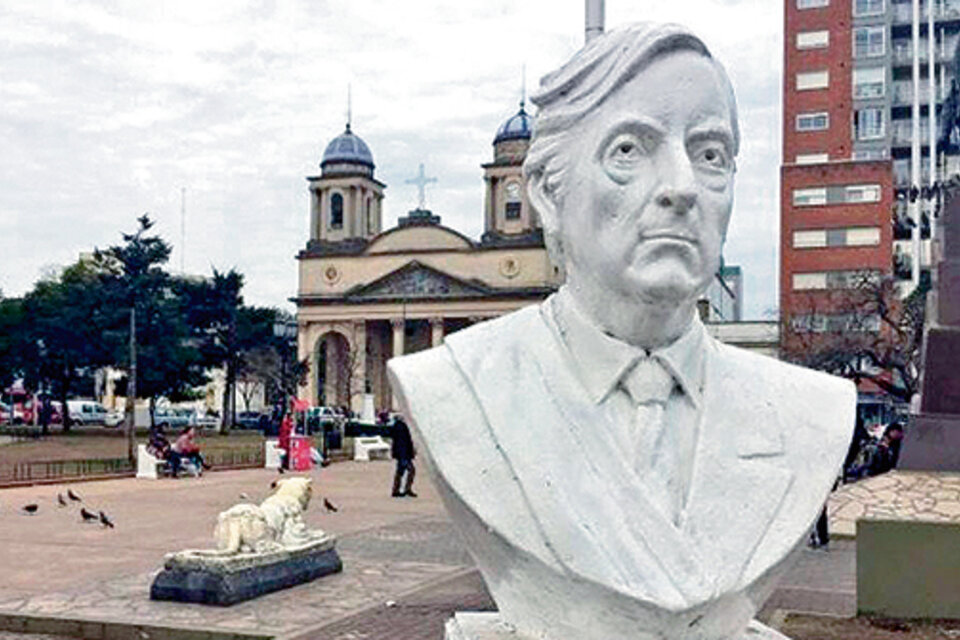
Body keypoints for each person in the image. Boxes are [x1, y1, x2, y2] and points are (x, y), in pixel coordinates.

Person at [388, 22, 855, 640]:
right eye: (629, 150)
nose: (682, 188)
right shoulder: (453, 386)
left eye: (710, 154)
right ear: (548, 195)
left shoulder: (811, 413)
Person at [390, 415, 416, 498]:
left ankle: (396, 490)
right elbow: (402, 442)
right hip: (403, 454)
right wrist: (404, 454)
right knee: (410, 470)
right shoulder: (401, 426)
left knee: (400, 471)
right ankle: (406, 489)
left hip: (402, 453)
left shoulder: (398, 425)